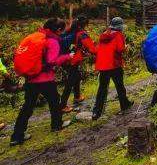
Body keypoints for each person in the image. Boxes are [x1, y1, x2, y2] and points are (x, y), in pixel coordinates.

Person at [11, 18, 72, 146]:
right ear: (58, 30)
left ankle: (16, 136)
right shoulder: (52, 41)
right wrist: (68, 56)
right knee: (55, 102)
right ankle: (57, 125)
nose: (63, 33)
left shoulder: (38, 38)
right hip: (45, 79)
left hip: (30, 79)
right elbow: (51, 61)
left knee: (27, 107)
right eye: (62, 30)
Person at [92, 17, 133, 120]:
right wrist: (126, 47)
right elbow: (120, 49)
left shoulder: (104, 34)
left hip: (103, 65)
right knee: (120, 86)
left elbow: (99, 49)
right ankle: (124, 104)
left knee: (102, 88)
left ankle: (96, 112)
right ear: (120, 27)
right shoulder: (118, 35)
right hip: (114, 64)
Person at [60, 16, 96, 113]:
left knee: (77, 75)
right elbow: (92, 48)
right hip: (72, 60)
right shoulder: (81, 34)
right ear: (83, 25)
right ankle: (62, 105)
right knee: (70, 81)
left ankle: (77, 96)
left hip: (63, 59)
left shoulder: (67, 32)